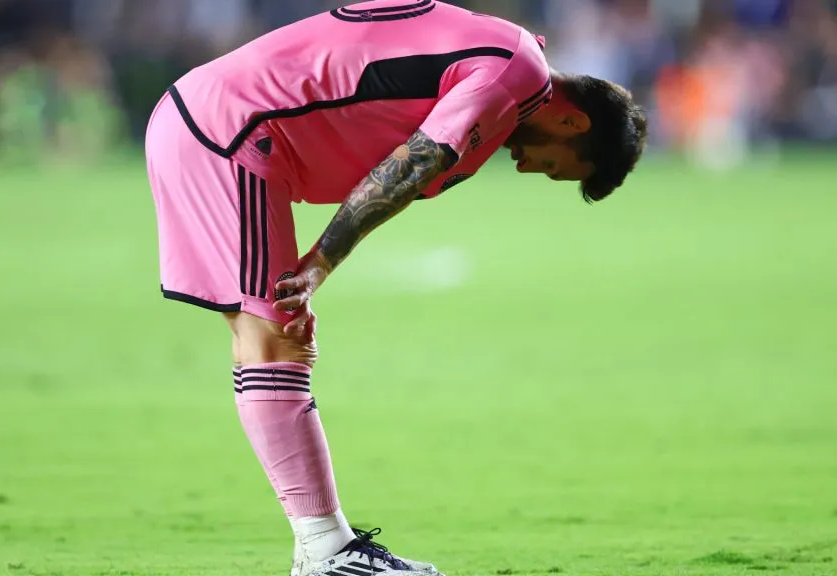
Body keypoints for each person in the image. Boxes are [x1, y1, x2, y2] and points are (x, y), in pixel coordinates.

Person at [144, 2, 646, 575]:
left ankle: (325, 547)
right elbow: (417, 162)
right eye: (555, 166)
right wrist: (321, 262)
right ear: (573, 123)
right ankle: (325, 552)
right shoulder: (515, 75)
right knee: (273, 338)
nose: (528, 167)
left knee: (274, 336)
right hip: (234, 133)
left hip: (225, 127)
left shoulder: (505, 58)